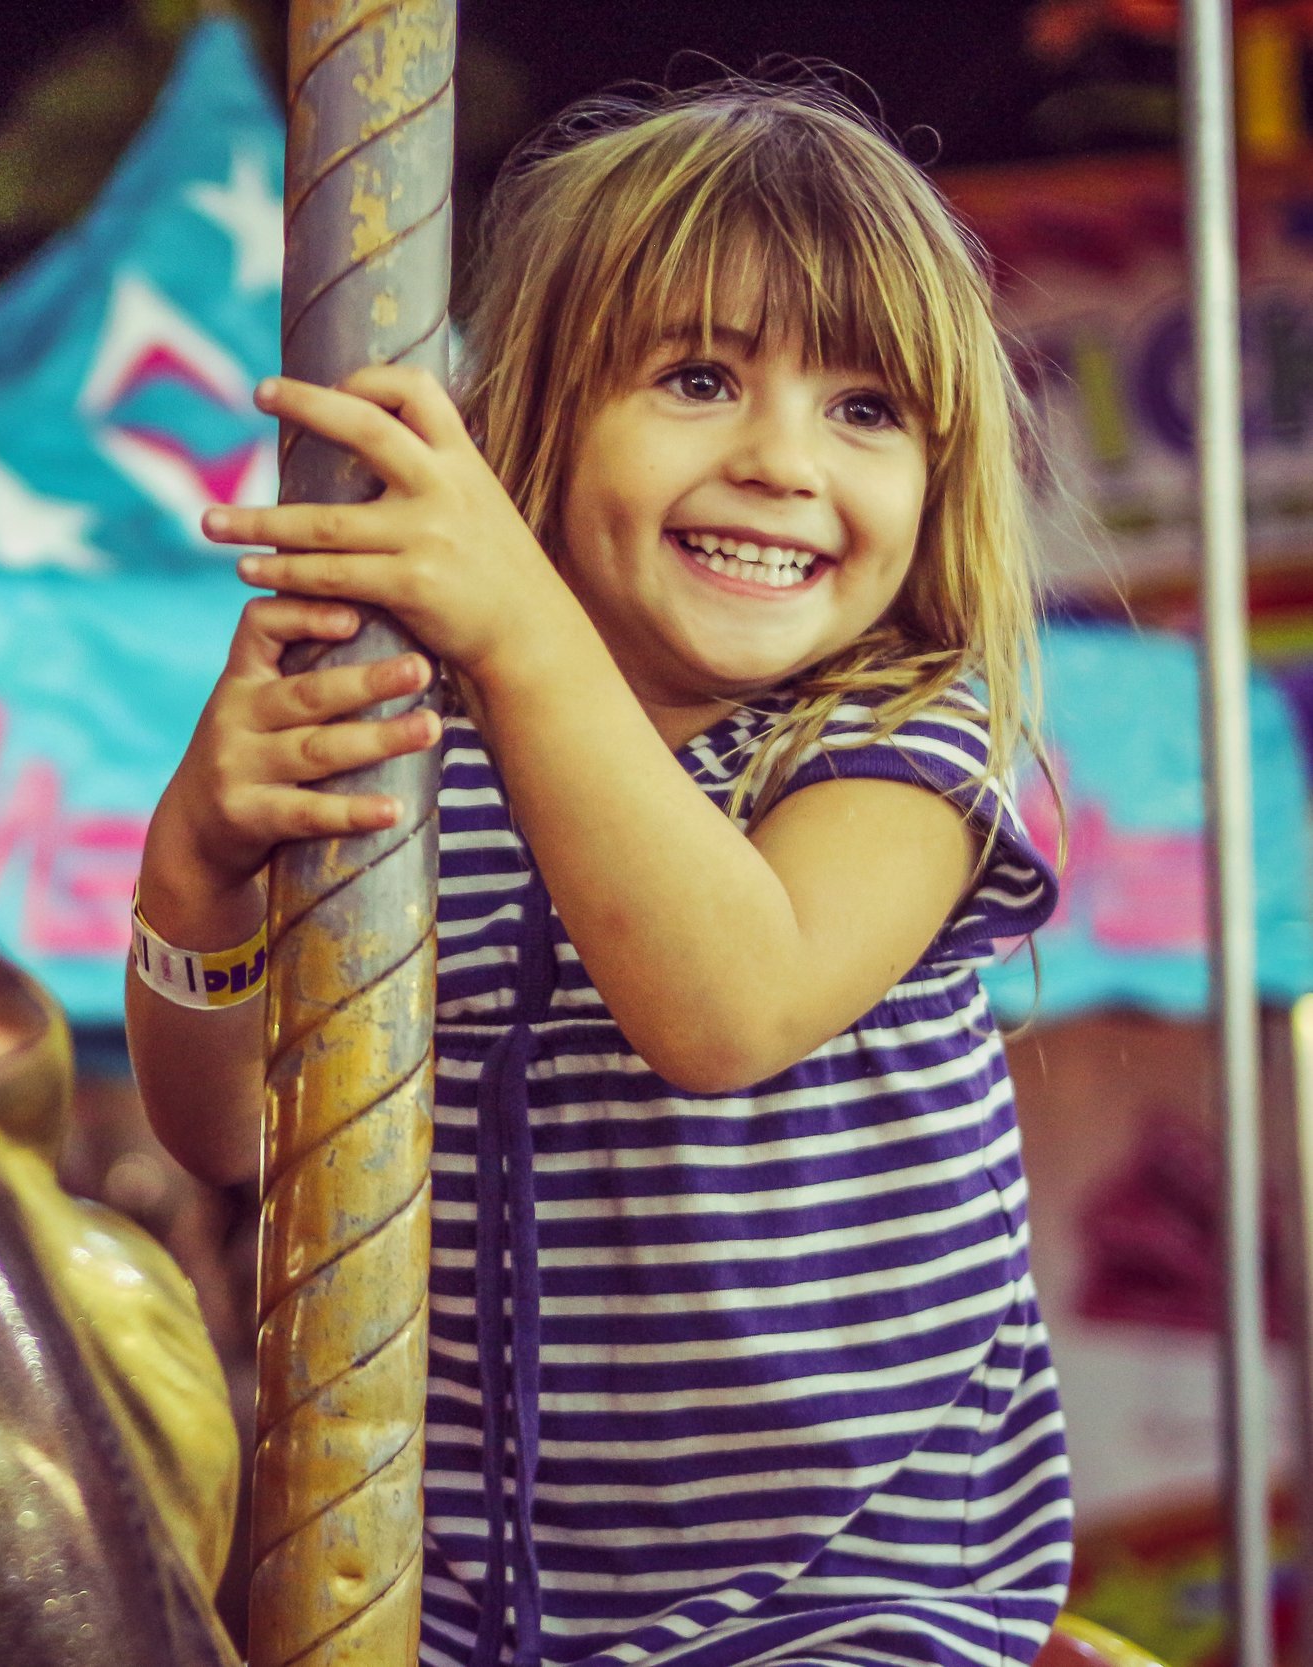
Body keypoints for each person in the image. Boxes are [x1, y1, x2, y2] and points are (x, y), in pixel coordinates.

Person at [127, 78, 1068, 1667]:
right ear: (539, 424)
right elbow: (228, 1135)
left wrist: (512, 620)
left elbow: (726, 1005)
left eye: (865, 409)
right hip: (457, 1612)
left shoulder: (902, 749)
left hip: (852, 1610)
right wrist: (199, 869)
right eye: (700, 378)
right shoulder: (426, 762)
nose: (784, 461)